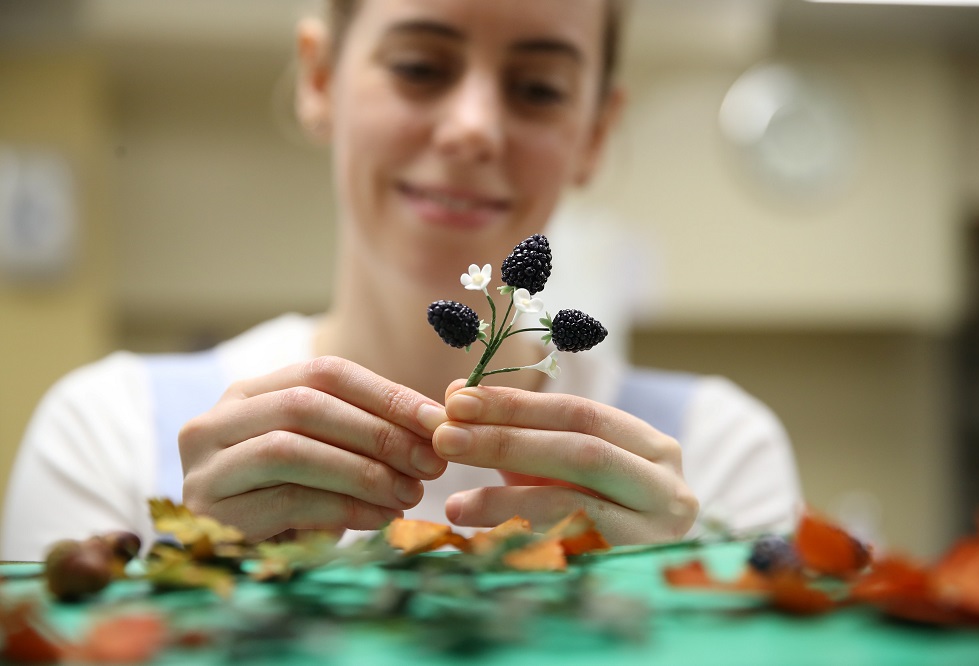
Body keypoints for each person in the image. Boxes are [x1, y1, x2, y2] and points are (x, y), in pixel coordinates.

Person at [1, 0, 802, 561]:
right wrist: (198, 578)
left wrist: (681, 600)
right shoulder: (108, 434)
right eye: (421, 67)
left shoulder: (720, 457)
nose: (475, 128)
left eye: (537, 89)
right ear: (320, 80)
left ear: (594, 131)